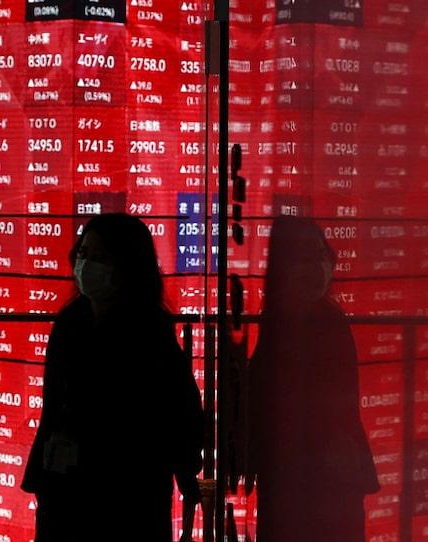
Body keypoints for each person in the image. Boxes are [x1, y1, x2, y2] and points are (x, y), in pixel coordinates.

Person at [21, 213, 204, 541]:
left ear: (127, 266)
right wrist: (42, 478)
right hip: (66, 489)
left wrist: (185, 470)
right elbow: (54, 410)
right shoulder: (70, 323)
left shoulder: (149, 333)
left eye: (101, 257)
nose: (87, 265)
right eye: (84, 253)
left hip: (128, 494)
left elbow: (178, 410)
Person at [244, 216, 380, 541]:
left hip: (306, 473)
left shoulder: (291, 323)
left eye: (320, 255)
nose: (317, 266)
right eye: (305, 257)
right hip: (320, 474)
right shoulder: (316, 321)